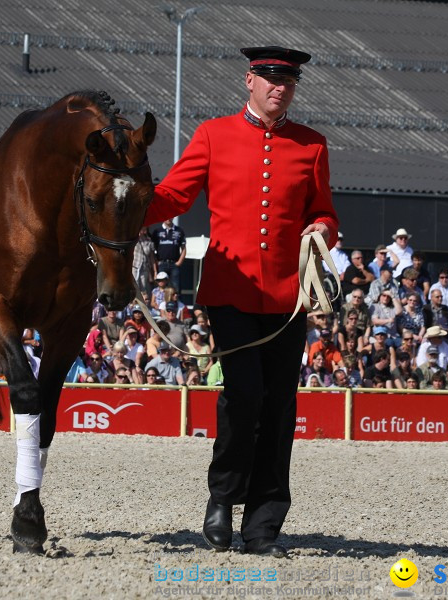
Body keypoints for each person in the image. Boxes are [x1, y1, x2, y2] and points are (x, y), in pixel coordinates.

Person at [145, 45, 338, 558]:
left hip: (288, 298)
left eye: (289, 82)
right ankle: (221, 497)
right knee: (244, 394)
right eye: (271, 79)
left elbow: (326, 213)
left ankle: (263, 528)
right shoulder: (212, 134)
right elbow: (173, 196)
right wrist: (126, 203)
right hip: (230, 292)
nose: (281, 88)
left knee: (279, 407)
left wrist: (321, 230)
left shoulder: (312, 145)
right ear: (248, 81)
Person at [152, 219, 187, 293]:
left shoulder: (179, 230)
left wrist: (179, 263)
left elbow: (183, 248)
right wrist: (156, 262)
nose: (169, 219)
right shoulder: (157, 231)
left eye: (171, 217)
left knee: (176, 287)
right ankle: (161, 303)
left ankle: (174, 304)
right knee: (161, 287)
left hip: (174, 264)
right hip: (161, 264)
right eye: (166, 217)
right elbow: (152, 250)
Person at [132, 227, 157, 299]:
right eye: (142, 229)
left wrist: (155, 271)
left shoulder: (149, 241)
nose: (144, 231)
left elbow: (152, 257)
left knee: (143, 287)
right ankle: (133, 303)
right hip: (135, 265)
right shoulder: (134, 239)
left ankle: (142, 303)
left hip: (145, 266)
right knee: (134, 284)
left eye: (145, 229)